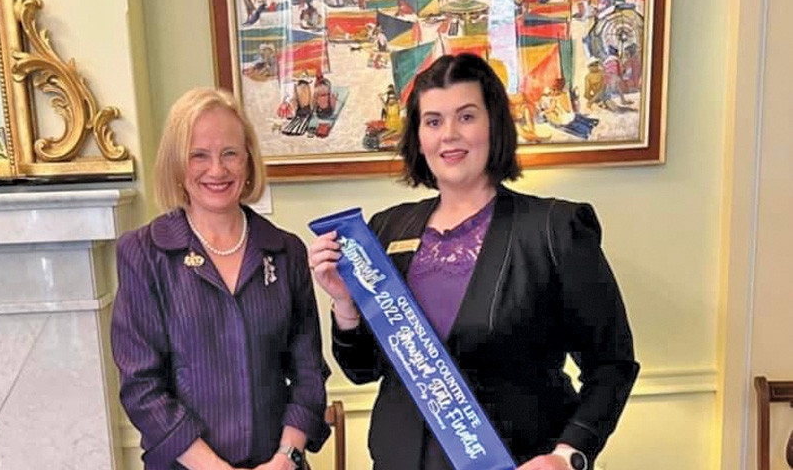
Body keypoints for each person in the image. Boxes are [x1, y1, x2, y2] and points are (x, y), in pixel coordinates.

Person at [309, 54, 638, 470]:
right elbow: (364, 370)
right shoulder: (386, 229)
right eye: (433, 121)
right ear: (418, 136)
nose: (449, 135)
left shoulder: (555, 228)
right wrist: (344, 304)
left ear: (494, 124)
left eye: (466, 117)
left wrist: (567, 455)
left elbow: (612, 364)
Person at [112, 88, 329, 470]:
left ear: (248, 160)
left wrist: (287, 457)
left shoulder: (286, 251)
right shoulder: (144, 254)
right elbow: (142, 387)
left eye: (230, 153)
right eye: (199, 155)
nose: (217, 170)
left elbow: (309, 372)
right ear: (178, 165)